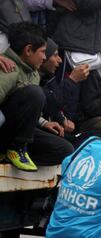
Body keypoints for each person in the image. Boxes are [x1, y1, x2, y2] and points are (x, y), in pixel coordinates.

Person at [0, 22, 73, 171]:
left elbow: (26, 111)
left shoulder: (33, 72)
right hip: (5, 133)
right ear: (28, 50)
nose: (44, 57)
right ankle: (15, 150)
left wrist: (43, 123)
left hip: (19, 133)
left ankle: (13, 157)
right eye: (43, 51)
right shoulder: (8, 69)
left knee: (65, 149)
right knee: (35, 93)